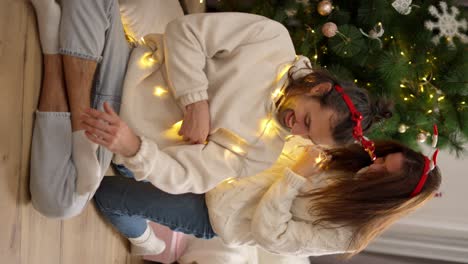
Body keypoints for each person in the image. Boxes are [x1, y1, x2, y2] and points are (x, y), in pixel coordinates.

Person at [29, 0, 389, 219]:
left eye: (309, 136)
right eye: (308, 119)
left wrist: (133, 148)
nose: (298, 130)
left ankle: (52, 46)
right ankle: (75, 110)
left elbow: (189, 177)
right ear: (319, 87)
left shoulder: (262, 153)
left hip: (113, 135)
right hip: (119, 68)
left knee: (59, 205)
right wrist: (195, 100)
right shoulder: (272, 39)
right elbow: (186, 32)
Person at [93, 139, 442, 256]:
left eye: (383, 173)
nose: (374, 165)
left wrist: (295, 177)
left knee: (107, 193)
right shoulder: (355, 161)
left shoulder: (348, 231)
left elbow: (271, 236)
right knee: (122, 159)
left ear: (389, 194)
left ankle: (144, 241)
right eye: (383, 159)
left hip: (215, 213)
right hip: (217, 170)